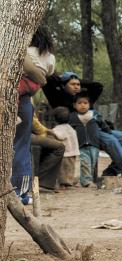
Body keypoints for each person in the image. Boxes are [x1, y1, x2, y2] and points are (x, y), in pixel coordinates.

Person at [42, 71, 122, 181]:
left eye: (78, 84)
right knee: (111, 140)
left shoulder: (85, 98)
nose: (76, 87)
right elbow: (48, 82)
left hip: (98, 129)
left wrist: (78, 81)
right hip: (80, 133)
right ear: (64, 86)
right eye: (72, 84)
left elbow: (97, 86)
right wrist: (62, 80)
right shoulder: (58, 98)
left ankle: (112, 171)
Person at [12, 27, 56, 205]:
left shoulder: (21, 50)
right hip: (25, 104)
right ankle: (21, 194)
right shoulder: (49, 57)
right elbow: (49, 74)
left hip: (10, 98)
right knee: (22, 147)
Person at [68, 93, 108, 187]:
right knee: (85, 163)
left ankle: (86, 180)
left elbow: (103, 124)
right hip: (81, 144)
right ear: (74, 105)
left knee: (92, 163)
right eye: (80, 103)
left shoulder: (94, 114)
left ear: (89, 104)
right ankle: (86, 182)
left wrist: (108, 131)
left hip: (94, 144)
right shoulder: (72, 117)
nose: (83, 105)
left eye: (85, 103)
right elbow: (69, 129)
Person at [30, 111, 64, 193]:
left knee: (49, 143)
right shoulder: (25, 99)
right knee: (59, 147)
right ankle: (40, 182)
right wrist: (45, 131)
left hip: (26, 133)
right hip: (24, 134)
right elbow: (33, 123)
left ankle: (44, 182)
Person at [50, 107, 80, 187]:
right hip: (73, 152)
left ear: (55, 119)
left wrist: (50, 132)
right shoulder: (70, 127)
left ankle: (63, 183)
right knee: (70, 168)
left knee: (63, 169)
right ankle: (69, 181)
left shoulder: (59, 129)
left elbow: (60, 136)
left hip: (66, 153)